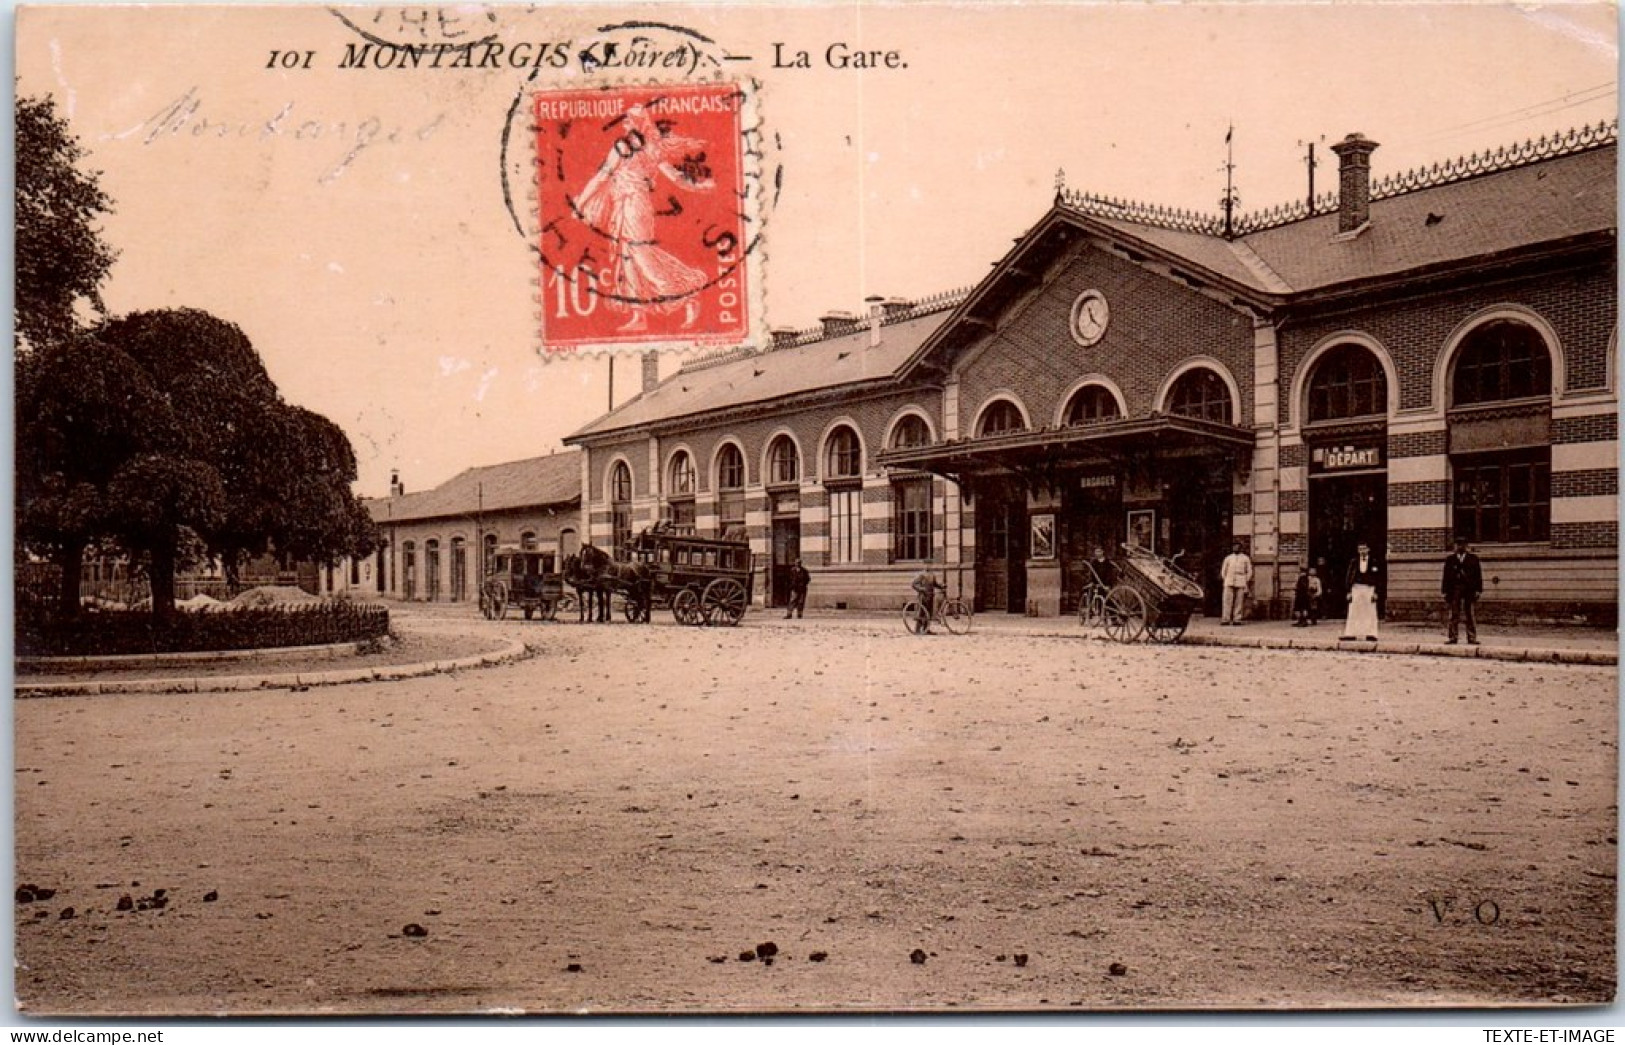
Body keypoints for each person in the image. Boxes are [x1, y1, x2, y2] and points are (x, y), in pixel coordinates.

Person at [1441, 536, 1483, 645]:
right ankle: (1453, 637)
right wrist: (1444, 591)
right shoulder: (1450, 560)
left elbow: (1478, 576)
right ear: (1455, 546)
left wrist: (1478, 590)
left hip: (1469, 589)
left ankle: (1472, 637)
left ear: (1467, 546)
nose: (1460, 546)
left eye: (1463, 544)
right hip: (1455, 589)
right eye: (1458, 544)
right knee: (1454, 613)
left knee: (1470, 614)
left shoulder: (1473, 559)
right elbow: (1446, 577)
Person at [1341, 541, 1383, 642]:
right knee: (1354, 610)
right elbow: (1349, 576)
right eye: (1360, 549)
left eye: (1364, 549)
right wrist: (1349, 591)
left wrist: (1376, 592)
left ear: (1368, 550)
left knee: (1370, 611)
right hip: (1356, 588)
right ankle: (1351, 633)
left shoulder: (1374, 561)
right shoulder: (1354, 562)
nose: (1362, 551)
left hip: (1369, 588)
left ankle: (1371, 633)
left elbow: (1378, 578)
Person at [1219, 541, 1253, 625]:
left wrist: (1246, 580)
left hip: (1241, 580)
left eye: (1237, 546)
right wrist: (1226, 579)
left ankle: (1237, 619)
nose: (1236, 548)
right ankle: (1225, 619)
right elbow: (1223, 571)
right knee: (1227, 600)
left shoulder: (1245, 558)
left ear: (1241, 548)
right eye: (1234, 546)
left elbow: (1249, 571)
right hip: (1229, 581)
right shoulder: (1228, 558)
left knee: (1239, 601)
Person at [911, 567, 945, 634]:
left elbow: (935, 584)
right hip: (923, 596)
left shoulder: (932, 575)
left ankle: (926, 629)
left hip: (931, 596)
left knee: (929, 613)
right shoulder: (921, 575)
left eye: (930, 565)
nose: (928, 567)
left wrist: (941, 586)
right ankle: (917, 630)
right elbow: (914, 584)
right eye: (927, 565)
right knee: (921, 612)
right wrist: (921, 589)